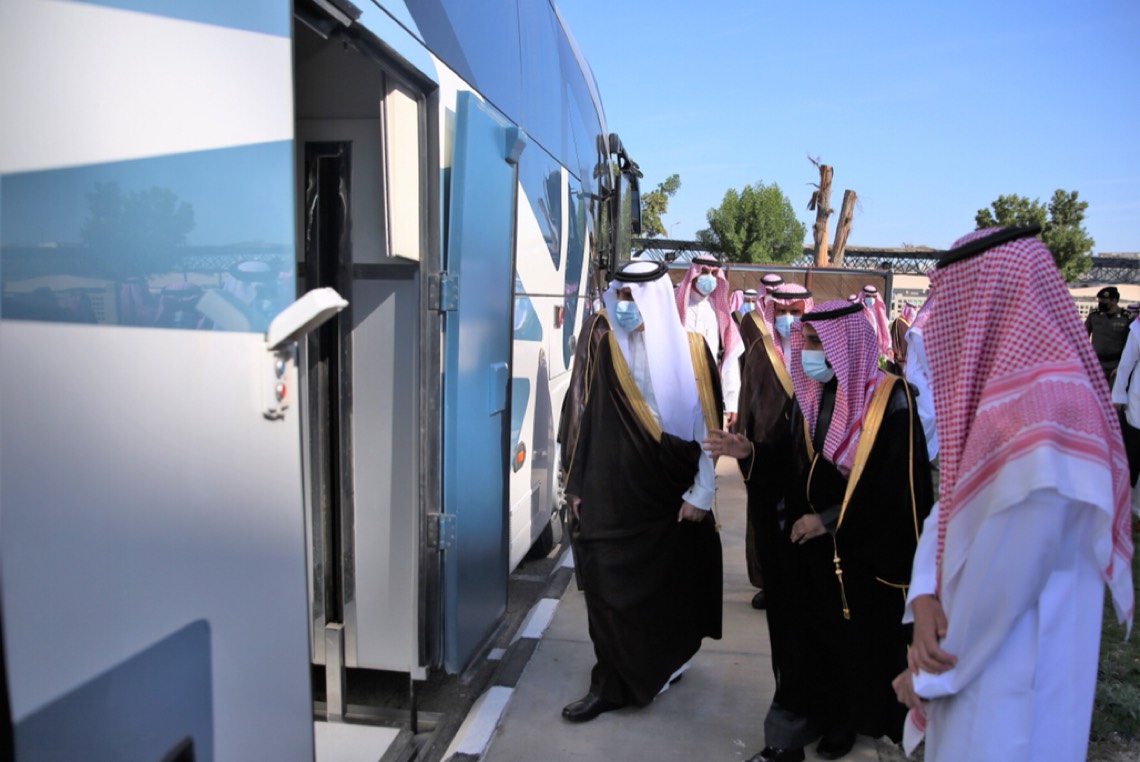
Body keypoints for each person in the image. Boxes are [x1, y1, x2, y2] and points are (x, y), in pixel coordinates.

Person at [892, 227, 1134, 761]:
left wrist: (927, 676)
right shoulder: (1010, 399)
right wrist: (925, 593)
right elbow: (951, 504)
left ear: (986, 302)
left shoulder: (1046, 414)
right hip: (975, 664)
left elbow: (1001, 580)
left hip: (1012, 686)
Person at [708, 299, 933, 762]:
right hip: (804, 550)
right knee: (801, 642)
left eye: (816, 342)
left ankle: (841, 723)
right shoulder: (808, 393)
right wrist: (750, 451)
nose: (808, 351)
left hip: (858, 556)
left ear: (845, 344)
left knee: (848, 646)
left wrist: (827, 521)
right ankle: (793, 730)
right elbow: (792, 460)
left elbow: (892, 489)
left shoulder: (892, 401)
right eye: (806, 341)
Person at [557, 260, 724, 722]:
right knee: (605, 581)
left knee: (666, 590)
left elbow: (708, 428)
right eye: (620, 296)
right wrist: (576, 484)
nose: (624, 306)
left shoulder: (693, 350)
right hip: (612, 492)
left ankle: (665, 665)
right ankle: (610, 684)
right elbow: (589, 418)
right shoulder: (609, 347)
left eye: (633, 298)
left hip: (669, 492)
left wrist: (702, 494)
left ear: (655, 299)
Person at [736, 283, 814, 611]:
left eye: (795, 312)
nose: (787, 318)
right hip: (764, 445)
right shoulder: (761, 349)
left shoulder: (816, 348)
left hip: (805, 450)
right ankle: (768, 583)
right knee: (765, 517)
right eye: (780, 311)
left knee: (801, 515)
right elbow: (747, 396)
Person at [674, 255, 744, 428]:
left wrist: (731, 402)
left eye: (714, 273)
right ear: (694, 273)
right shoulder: (675, 304)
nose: (709, 277)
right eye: (704, 271)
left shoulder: (718, 309)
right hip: (676, 389)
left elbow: (729, 358)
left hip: (709, 388)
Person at [1111, 315, 1140, 513]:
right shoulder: (1138, 327)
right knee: (1134, 452)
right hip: (1138, 401)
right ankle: (1133, 506)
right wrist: (1119, 394)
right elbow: (1126, 362)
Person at [1086, 285, 1131, 383]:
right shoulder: (1094, 316)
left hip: (1116, 364)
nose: (1100, 303)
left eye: (1104, 301)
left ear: (1114, 301)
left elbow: (1130, 345)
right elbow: (1083, 337)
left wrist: (1121, 366)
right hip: (1095, 363)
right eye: (1099, 300)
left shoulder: (1126, 318)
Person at [859, 284, 893, 363]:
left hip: (878, 352)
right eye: (868, 296)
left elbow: (886, 332)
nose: (871, 299)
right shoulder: (858, 313)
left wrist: (889, 347)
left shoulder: (878, 313)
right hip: (863, 352)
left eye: (873, 296)